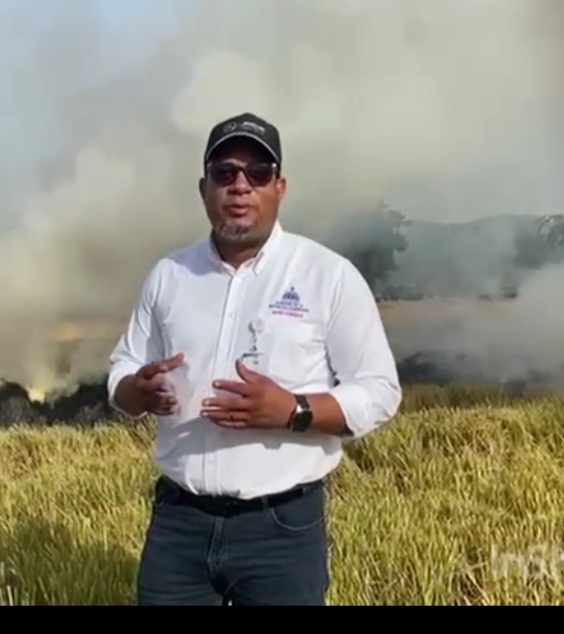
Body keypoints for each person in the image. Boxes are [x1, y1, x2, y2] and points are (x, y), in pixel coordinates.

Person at [107, 112, 402, 606]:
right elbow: (122, 369)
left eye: (257, 173)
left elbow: (379, 391)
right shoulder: (168, 276)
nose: (240, 185)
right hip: (179, 523)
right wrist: (137, 389)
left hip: (280, 529)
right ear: (204, 188)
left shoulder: (328, 275)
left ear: (279, 186)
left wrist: (293, 410)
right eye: (225, 173)